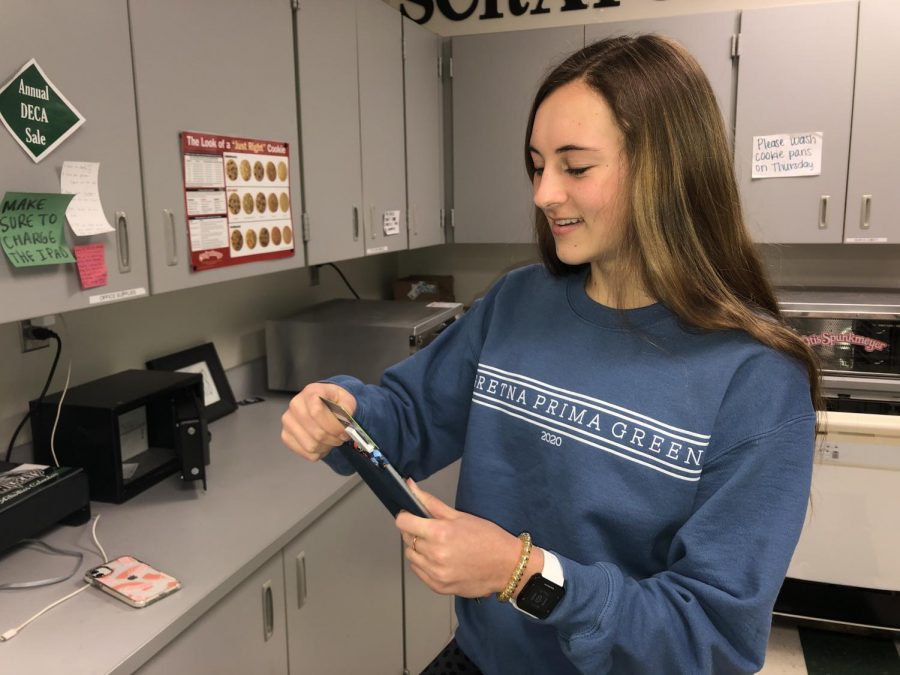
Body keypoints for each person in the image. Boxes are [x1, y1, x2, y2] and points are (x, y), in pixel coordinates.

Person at [281, 34, 821, 675]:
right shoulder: (517, 303)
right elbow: (409, 416)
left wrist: (523, 574)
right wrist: (343, 409)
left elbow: (710, 637)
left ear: (665, 170)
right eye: (538, 164)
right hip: (478, 658)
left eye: (576, 166)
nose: (543, 193)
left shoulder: (756, 382)